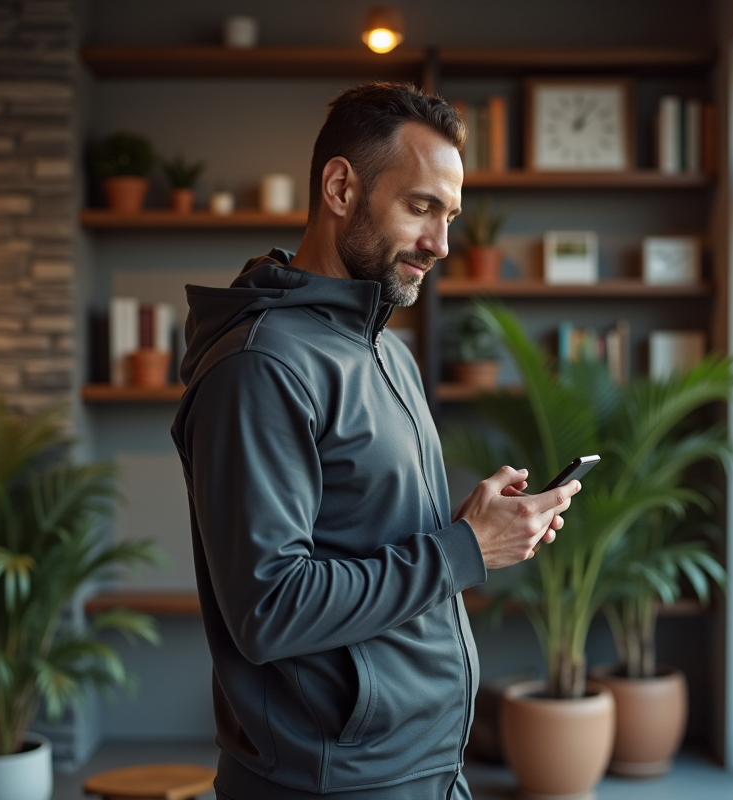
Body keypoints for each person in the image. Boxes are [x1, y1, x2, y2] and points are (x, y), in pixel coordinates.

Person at [170, 82, 581, 800]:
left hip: (426, 764)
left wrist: (470, 526)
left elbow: (368, 538)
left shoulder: (387, 352)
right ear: (339, 188)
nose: (441, 243)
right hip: (335, 783)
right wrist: (463, 551)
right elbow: (269, 609)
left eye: (449, 216)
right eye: (420, 207)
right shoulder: (259, 366)